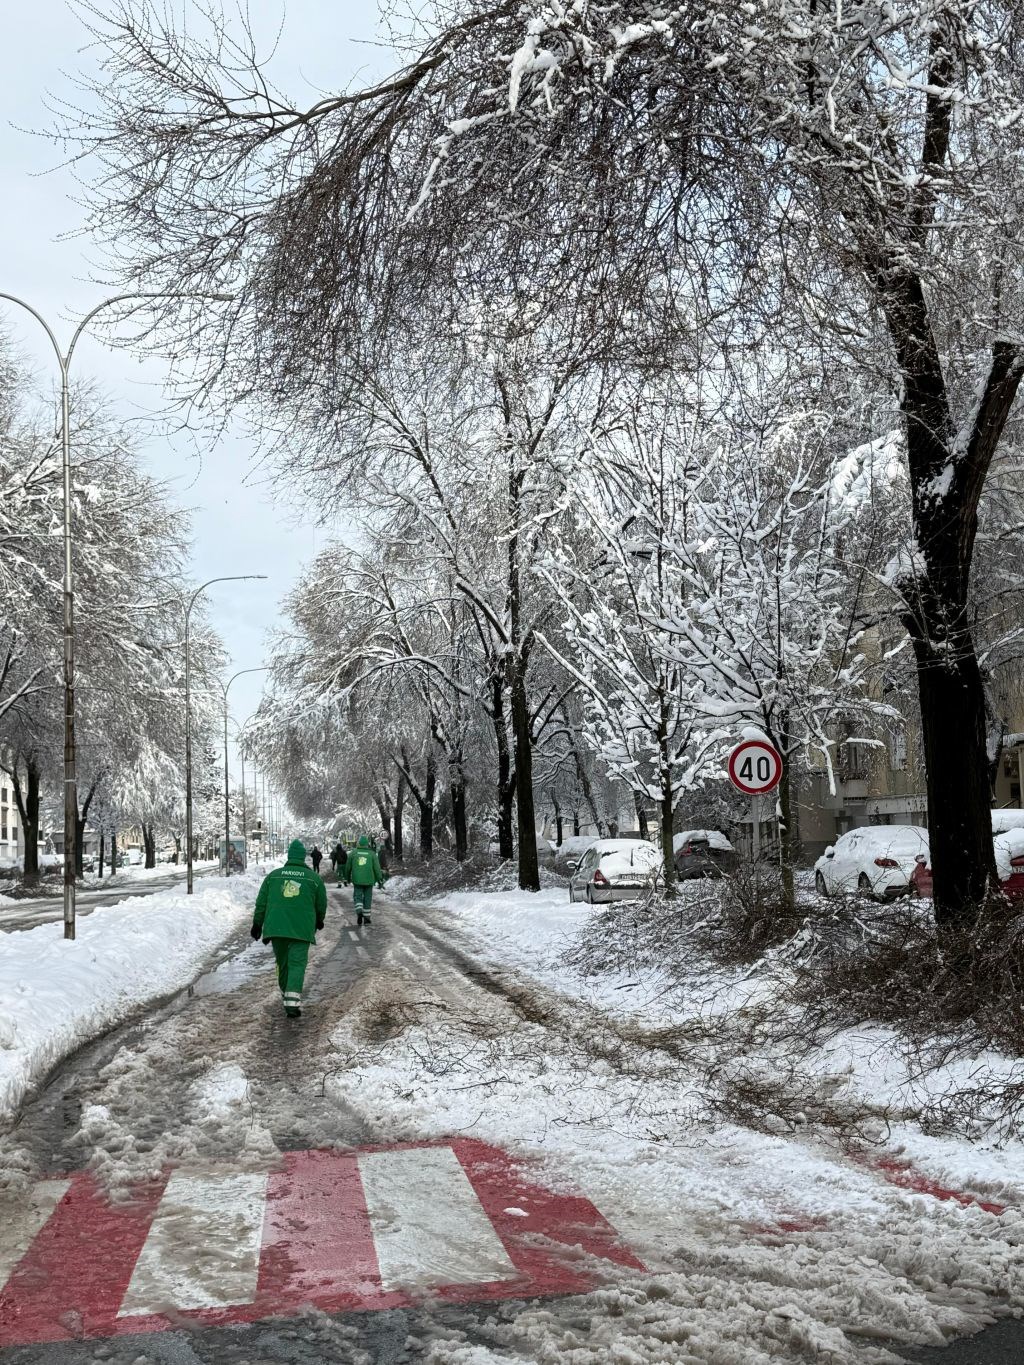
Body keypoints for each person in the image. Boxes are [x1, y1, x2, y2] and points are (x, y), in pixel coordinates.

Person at [251, 839, 327, 1018]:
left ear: (289, 856)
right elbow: (321, 903)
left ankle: (287, 994)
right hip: (301, 929)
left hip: (276, 928)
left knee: (283, 963)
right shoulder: (313, 879)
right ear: (303, 857)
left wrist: (257, 924)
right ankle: (292, 1003)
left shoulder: (273, 876)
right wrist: (319, 920)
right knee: (297, 964)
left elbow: (261, 902)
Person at [341, 834, 385, 926]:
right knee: (368, 898)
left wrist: (347, 878)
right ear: (367, 844)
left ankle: (359, 911)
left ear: (359, 843)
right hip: (369, 880)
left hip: (357, 879)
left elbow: (348, 867)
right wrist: (379, 879)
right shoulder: (372, 854)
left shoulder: (353, 853)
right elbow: (377, 868)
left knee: (358, 896)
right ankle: (367, 918)